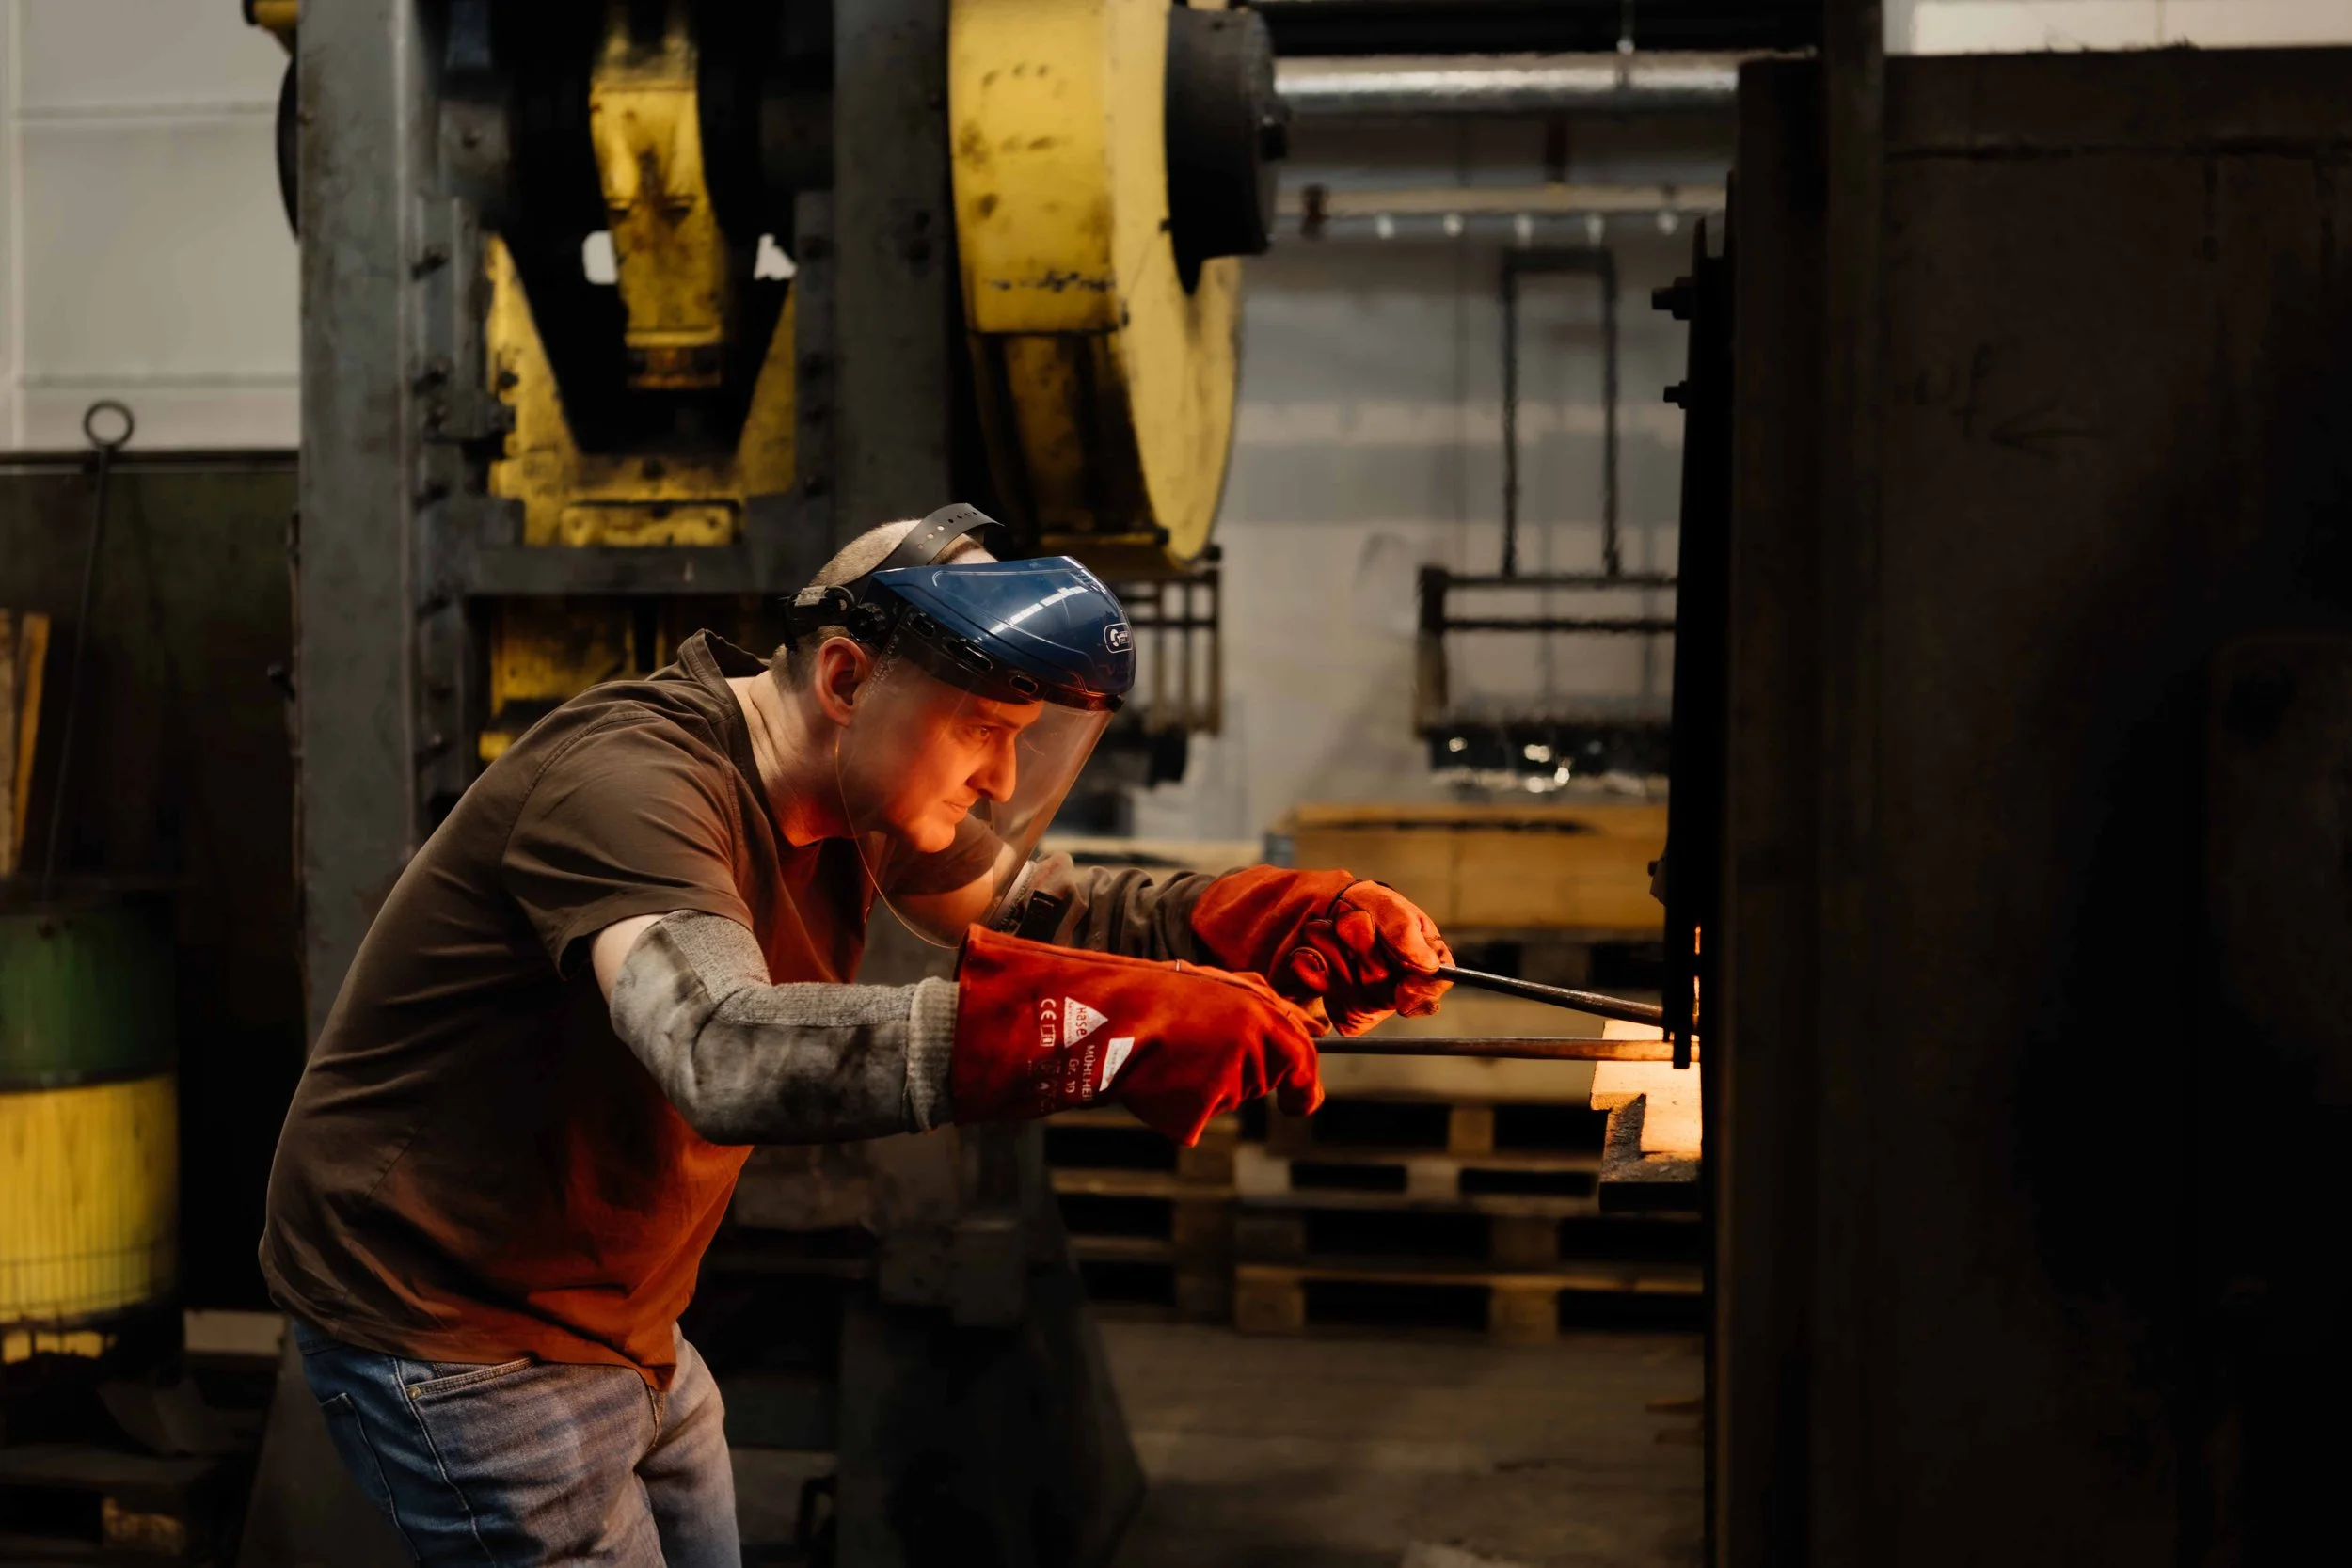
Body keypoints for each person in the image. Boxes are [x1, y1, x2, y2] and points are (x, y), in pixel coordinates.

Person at [260, 505, 1454, 1565]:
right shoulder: (633, 784)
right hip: (456, 1321)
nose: (997, 777)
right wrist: (1085, 1031)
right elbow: (722, 1046)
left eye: (1021, 738)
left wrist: (1231, 916)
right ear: (845, 678)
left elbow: (1049, 909)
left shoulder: (856, 798)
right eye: (980, 727)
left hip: (625, 1322)